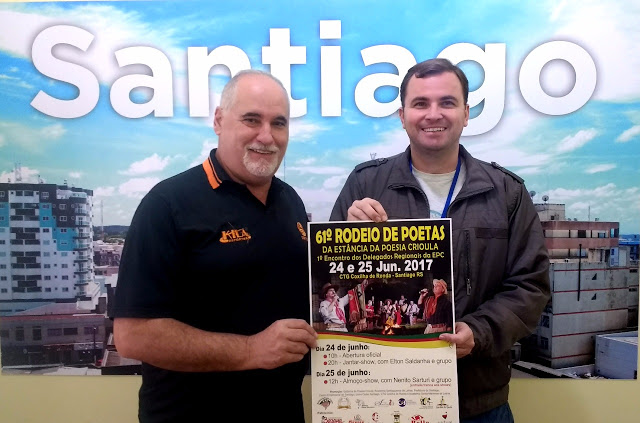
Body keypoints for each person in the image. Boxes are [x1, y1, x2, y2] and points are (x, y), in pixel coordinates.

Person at [330, 58, 550, 422]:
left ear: (466, 113)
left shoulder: (506, 192)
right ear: (402, 116)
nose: (434, 114)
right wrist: (347, 239)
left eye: (447, 102)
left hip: (478, 402)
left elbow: (530, 286)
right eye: (421, 103)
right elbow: (331, 282)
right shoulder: (365, 184)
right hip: (382, 395)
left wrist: (478, 332)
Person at [111, 70, 317, 422]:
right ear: (219, 121)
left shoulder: (290, 201)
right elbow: (133, 336)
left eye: (278, 123)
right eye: (251, 120)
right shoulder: (168, 204)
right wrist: (251, 350)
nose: (266, 136)